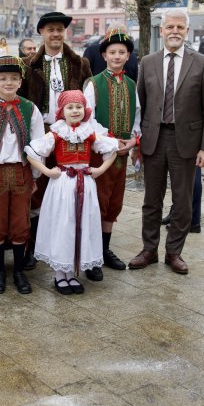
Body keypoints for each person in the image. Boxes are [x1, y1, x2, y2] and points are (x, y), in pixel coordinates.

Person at [127, 8, 204, 274]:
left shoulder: (201, 63)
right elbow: (139, 105)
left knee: (183, 200)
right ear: (161, 30)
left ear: (187, 31)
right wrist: (136, 142)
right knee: (151, 200)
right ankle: (149, 250)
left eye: (180, 27)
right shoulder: (148, 61)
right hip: (154, 140)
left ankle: (174, 252)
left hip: (186, 142)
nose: (175, 31)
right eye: (170, 27)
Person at [19, 11, 93, 268]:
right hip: (41, 133)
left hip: (71, 135)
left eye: (60, 29)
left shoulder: (79, 64)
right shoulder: (28, 65)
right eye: (50, 29)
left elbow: (87, 102)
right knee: (36, 190)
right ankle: (33, 247)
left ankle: (77, 250)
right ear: (41, 32)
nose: (56, 34)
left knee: (72, 190)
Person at [26, 90, 118, 294]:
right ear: (62, 111)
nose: (74, 111)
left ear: (84, 110)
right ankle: (61, 274)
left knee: (81, 223)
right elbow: (33, 152)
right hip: (63, 185)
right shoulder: (56, 133)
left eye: (78, 107)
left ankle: (72, 273)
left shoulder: (89, 132)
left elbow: (111, 150)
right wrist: (48, 172)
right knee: (63, 224)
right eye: (70, 107)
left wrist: (100, 170)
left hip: (85, 182)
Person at [0, 56, 44, 294]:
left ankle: (18, 271)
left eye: (13, 78)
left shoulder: (30, 108)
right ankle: (0, 273)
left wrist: (35, 176)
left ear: (20, 82)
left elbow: (38, 145)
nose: (8, 82)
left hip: (21, 171)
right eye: (2, 78)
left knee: (19, 223)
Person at [82, 28, 139, 281]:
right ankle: (91, 255)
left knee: (114, 203)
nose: (117, 56)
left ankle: (104, 250)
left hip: (122, 155)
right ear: (104, 55)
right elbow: (87, 119)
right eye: (112, 52)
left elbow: (137, 116)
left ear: (128, 56)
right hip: (99, 155)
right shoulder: (93, 84)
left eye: (122, 52)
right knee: (97, 203)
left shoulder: (131, 84)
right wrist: (108, 143)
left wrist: (133, 140)